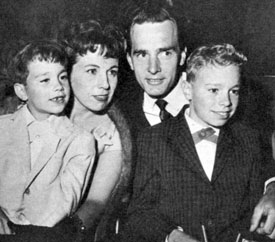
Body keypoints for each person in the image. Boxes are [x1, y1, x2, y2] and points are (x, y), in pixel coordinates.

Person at [120, 43, 275, 242]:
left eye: (234, 91)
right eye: (213, 90)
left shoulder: (247, 139)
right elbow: (139, 213)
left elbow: (257, 205)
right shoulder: (153, 140)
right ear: (187, 89)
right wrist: (172, 236)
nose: (226, 102)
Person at [0, 40, 95, 242]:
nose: (58, 87)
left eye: (62, 77)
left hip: (44, 236)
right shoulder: (2, 128)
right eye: (45, 80)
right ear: (22, 91)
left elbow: (60, 207)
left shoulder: (80, 141)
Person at [62, 20, 132, 241]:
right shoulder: (36, 111)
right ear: (66, 72)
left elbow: (95, 205)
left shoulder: (112, 134)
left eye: (112, 72)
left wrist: (56, 234)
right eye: (92, 71)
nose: (105, 84)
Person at [117, 2, 189, 140]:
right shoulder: (120, 115)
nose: (153, 68)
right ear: (130, 60)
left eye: (165, 53)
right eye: (142, 55)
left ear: (182, 56)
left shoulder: (213, 102)